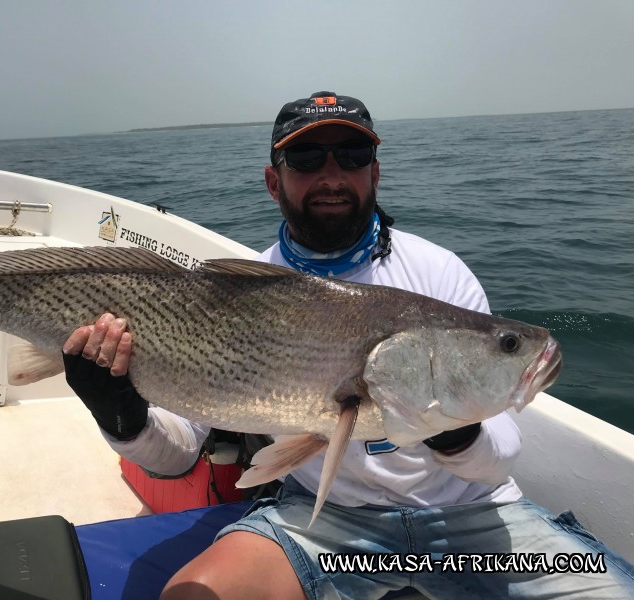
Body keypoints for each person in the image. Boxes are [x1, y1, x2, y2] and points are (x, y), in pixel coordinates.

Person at [61, 92, 634, 599]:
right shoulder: (240, 288)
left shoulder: (437, 272)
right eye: (307, 160)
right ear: (272, 180)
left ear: (375, 174)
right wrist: (120, 414)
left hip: (472, 520)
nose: (331, 175)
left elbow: (503, 452)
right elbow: (180, 453)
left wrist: (458, 433)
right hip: (323, 523)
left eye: (352, 158)